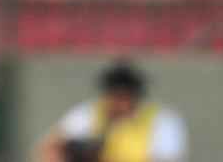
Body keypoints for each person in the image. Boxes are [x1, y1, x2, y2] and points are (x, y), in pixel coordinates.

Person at [35, 60, 188, 162]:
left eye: (125, 96)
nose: (119, 103)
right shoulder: (88, 114)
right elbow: (49, 149)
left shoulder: (163, 120)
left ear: (137, 96)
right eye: (114, 95)